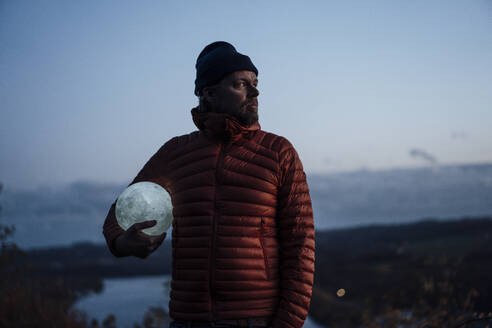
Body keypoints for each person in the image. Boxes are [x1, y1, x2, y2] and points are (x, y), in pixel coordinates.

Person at [103, 41, 315, 328]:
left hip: (256, 320)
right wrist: (123, 241)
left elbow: (301, 245)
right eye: (241, 83)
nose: (254, 92)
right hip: (189, 320)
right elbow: (120, 212)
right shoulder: (176, 153)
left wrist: (287, 324)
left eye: (255, 83)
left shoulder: (279, 153)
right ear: (209, 93)